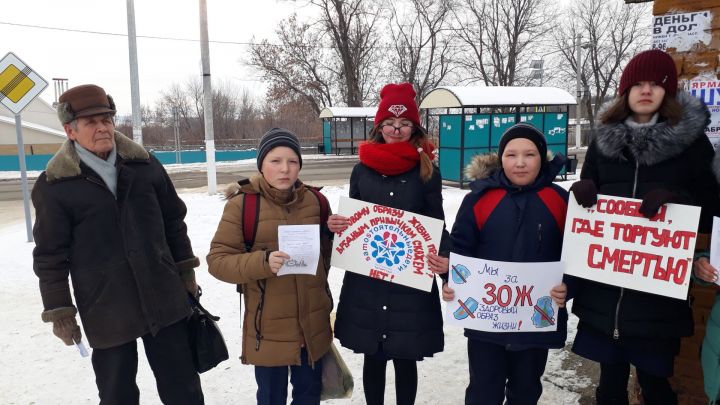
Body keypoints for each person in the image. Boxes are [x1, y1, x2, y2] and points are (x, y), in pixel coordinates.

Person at [31, 84, 204, 404]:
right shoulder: (55, 185)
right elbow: (50, 255)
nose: (103, 128)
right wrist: (59, 310)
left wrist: (185, 272)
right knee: (116, 393)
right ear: (70, 130)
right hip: (105, 305)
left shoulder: (144, 165)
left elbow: (173, 222)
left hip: (162, 294)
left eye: (107, 120)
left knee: (183, 387)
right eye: (91, 123)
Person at [568, 49, 720, 405]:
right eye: (637, 83)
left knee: (655, 384)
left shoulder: (692, 145)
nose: (646, 90)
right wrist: (583, 191)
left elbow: (711, 205)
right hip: (606, 287)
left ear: (668, 91)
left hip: (656, 293)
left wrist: (677, 200)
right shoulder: (603, 142)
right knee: (609, 384)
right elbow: (586, 195)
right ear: (625, 91)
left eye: (655, 83)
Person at [326, 82, 450, 405]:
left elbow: (435, 224)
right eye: (390, 123)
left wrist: (449, 268)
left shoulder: (427, 171)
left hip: (410, 283)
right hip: (368, 280)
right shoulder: (361, 170)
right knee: (374, 356)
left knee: (405, 357)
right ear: (379, 127)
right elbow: (356, 219)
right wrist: (338, 228)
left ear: (414, 127)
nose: (397, 129)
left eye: (405, 123)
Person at [442, 124, 569, 405]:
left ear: (542, 158)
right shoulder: (478, 199)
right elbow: (460, 249)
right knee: (483, 391)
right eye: (511, 155)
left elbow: (575, 255)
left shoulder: (560, 200)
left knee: (525, 391)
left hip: (536, 320)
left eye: (530, 154)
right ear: (501, 159)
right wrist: (450, 281)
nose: (520, 163)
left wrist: (569, 287)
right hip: (486, 320)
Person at [207, 128, 333, 405]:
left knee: (309, 395)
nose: (285, 169)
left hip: (311, 326)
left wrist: (335, 233)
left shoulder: (317, 201)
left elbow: (326, 258)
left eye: (292, 161)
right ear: (261, 164)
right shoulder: (243, 205)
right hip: (268, 329)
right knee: (271, 397)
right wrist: (263, 262)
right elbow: (217, 262)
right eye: (275, 161)